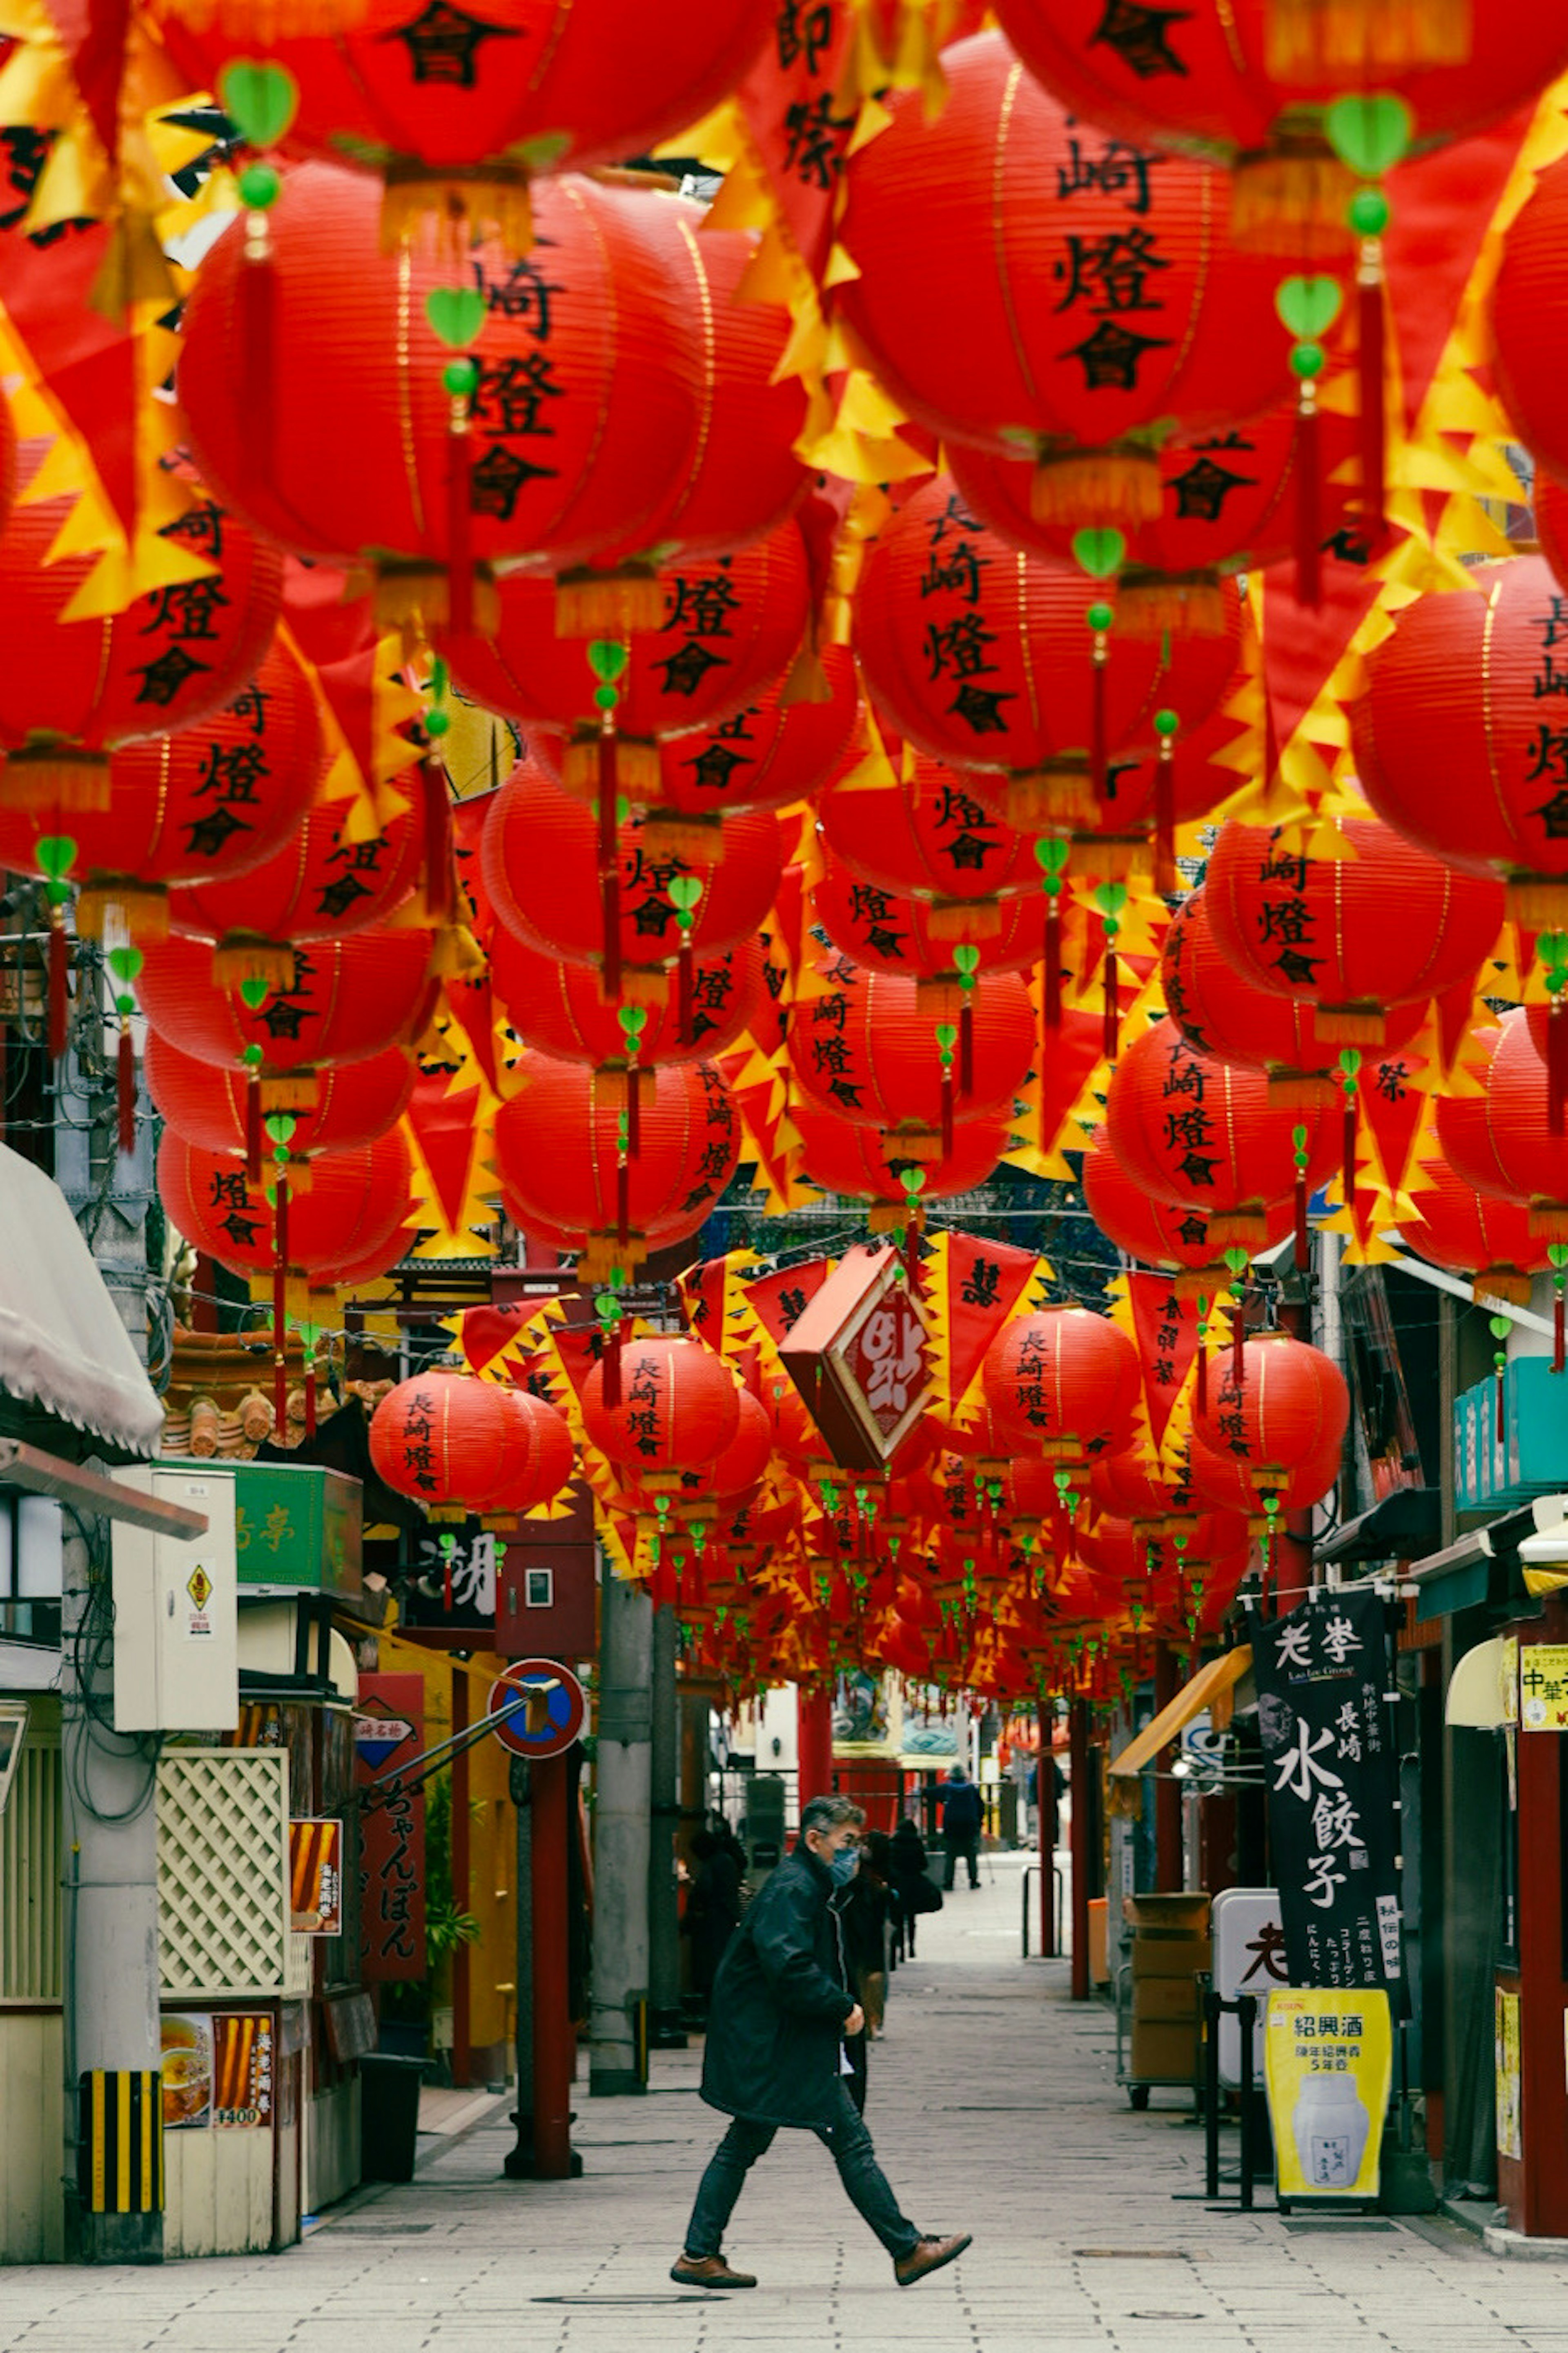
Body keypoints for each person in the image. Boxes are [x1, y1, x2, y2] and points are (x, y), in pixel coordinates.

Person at [670, 1793, 972, 2292]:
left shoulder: (805, 1885)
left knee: (744, 2142)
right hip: (781, 2045)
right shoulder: (796, 1887)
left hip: (773, 2041)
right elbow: (789, 1965)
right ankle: (907, 2248)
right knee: (850, 2141)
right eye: (848, 1842)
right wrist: (841, 2005)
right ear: (815, 1839)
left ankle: (699, 2252)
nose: (856, 1852)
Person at [683, 1828, 742, 2013]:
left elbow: (704, 1891)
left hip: (711, 1925)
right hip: (725, 1921)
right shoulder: (727, 1861)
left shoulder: (714, 1864)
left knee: (707, 1968)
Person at [886, 1815, 930, 1964]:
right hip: (913, 1884)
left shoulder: (892, 1844)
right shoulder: (917, 1844)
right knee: (911, 1918)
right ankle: (910, 1947)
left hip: (896, 1885)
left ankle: (893, 1953)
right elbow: (924, 1865)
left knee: (895, 1919)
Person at [939, 1765, 983, 1891]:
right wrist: (979, 1822)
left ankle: (949, 1882)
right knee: (971, 1855)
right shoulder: (971, 1789)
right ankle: (974, 1881)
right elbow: (981, 1806)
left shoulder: (947, 1788)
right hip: (969, 1826)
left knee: (951, 1856)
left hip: (952, 1826)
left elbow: (930, 1792)